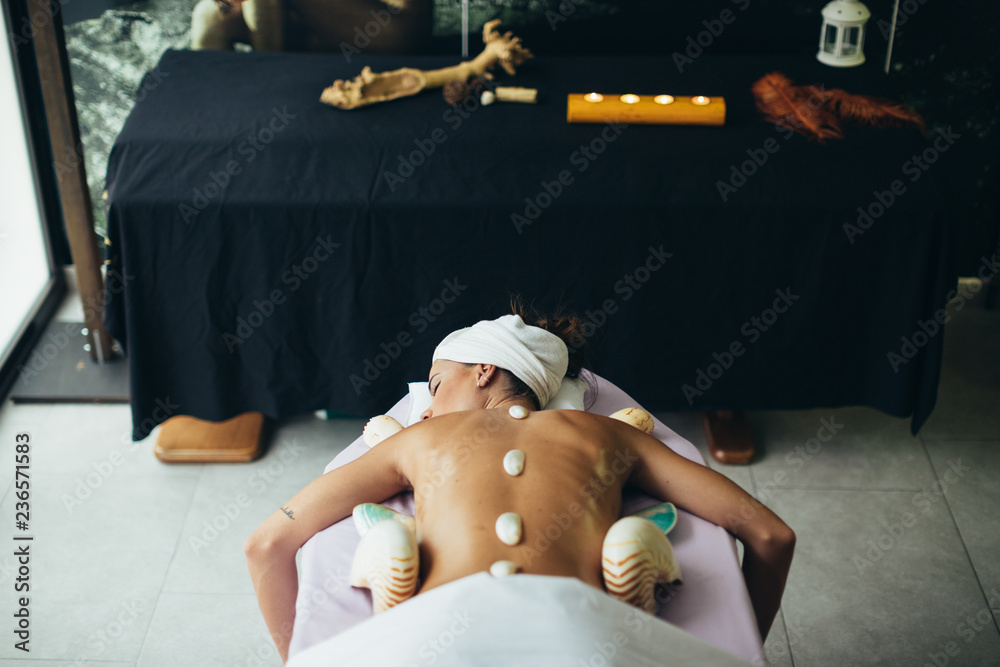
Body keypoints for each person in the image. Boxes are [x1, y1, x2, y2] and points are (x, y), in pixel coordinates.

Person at [245, 308, 795, 664]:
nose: (426, 406)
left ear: (483, 370)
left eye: (435, 385)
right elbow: (771, 536)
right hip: (584, 635)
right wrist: (739, 647)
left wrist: (299, 657)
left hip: (436, 638)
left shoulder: (414, 442)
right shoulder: (608, 434)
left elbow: (268, 544)